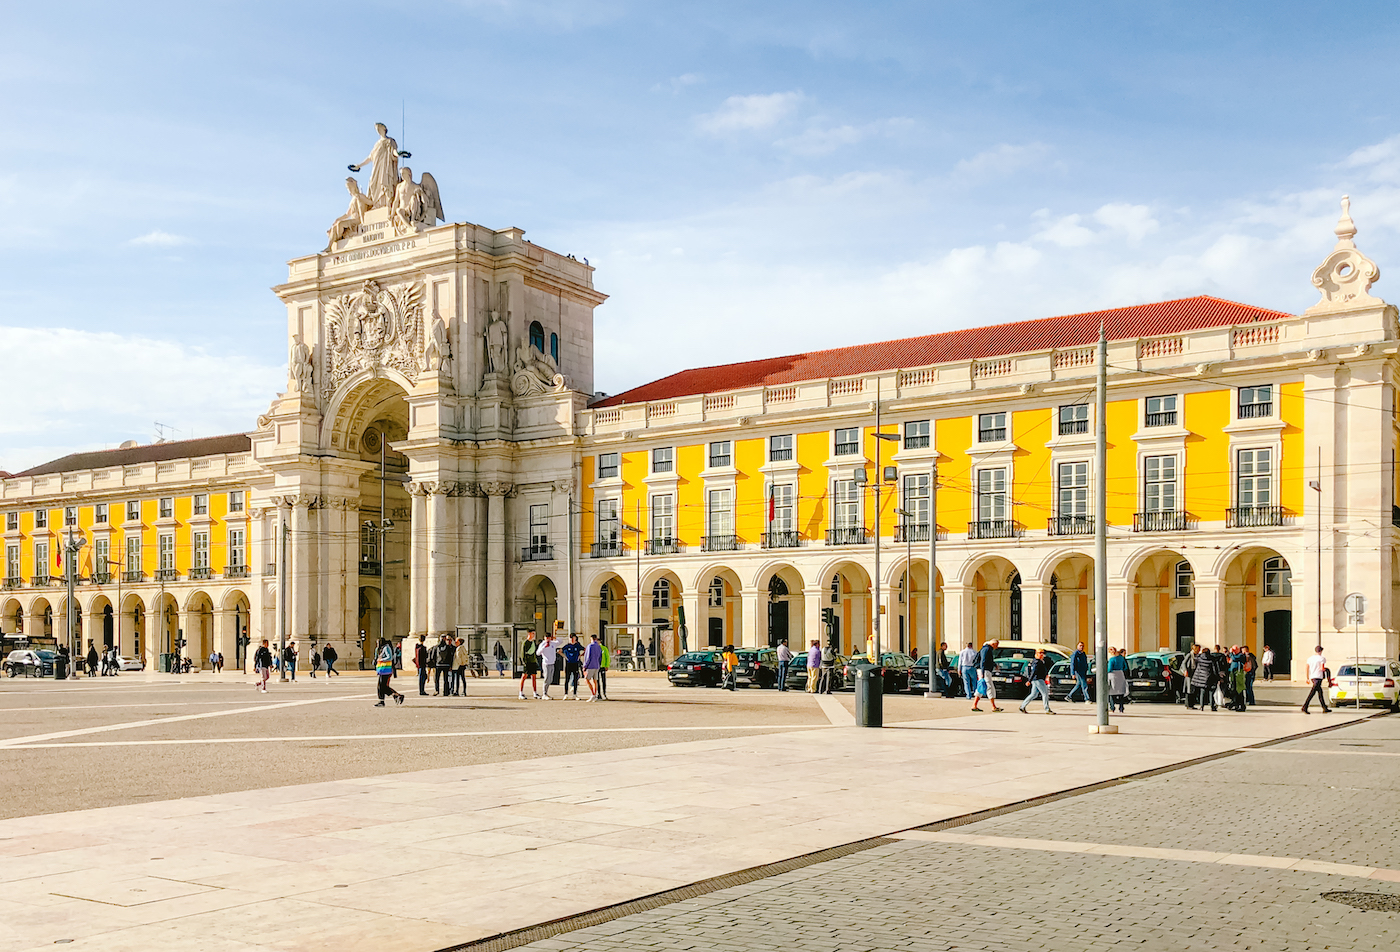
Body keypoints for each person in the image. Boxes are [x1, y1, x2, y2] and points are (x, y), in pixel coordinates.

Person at [1019, 649, 1056, 714]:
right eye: (1040, 653)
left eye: (1043, 653)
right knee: (1045, 694)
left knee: (1034, 694)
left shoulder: (1040, 661)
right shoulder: (1037, 662)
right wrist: (1029, 681)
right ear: (1036, 654)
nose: (1042, 654)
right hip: (1038, 679)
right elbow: (1034, 672)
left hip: (1037, 679)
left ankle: (1022, 706)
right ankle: (1047, 709)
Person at [970, 639, 1002, 712]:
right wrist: (982, 672)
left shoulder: (986, 649)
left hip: (983, 670)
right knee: (989, 687)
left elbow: (987, 660)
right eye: (997, 644)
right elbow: (983, 660)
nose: (997, 647)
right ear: (993, 644)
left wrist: (994, 664)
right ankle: (993, 706)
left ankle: (974, 705)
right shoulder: (987, 649)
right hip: (985, 670)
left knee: (981, 686)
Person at [373, 637, 404, 707]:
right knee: (382, 686)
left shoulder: (386, 648)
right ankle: (396, 696)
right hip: (383, 670)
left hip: (386, 670)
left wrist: (381, 659)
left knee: (381, 686)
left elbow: (390, 657)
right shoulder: (382, 648)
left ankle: (383, 700)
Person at [1302, 645, 1330, 714]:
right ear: (1321, 651)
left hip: (1313, 677)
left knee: (1320, 692)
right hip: (1318, 676)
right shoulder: (1322, 658)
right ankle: (1305, 706)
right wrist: (1327, 670)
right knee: (1312, 693)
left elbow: (1306, 667)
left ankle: (1324, 707)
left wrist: (1307, 678)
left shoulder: (1310, 658)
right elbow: (1322, 668)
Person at [1190, 642, 1217, 711]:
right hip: (1210, 677)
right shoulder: (1212, 659)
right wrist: (1217, 677)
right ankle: (1212, 706)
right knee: (1211, 692)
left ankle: (1202, 706)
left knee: (1202, 692)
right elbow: (1214, 669)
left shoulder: (1199, 658)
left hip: (1201, 678)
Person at [519, 630, 541, 699]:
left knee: (534, 677)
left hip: (533, 662)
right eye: (533, 633)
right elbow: (522, 653)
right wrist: (524, 662)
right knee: (524, 676)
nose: (534, 635)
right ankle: (521, 692)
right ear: (529, 634)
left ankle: (535, 692)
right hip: (527, 662)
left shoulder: (533, 642)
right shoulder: (525, 642)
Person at [561, 634, 585, 698]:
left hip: (575, 663)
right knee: (567, 679)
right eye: (571, 638)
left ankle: (575, 694)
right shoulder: (567, 646)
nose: (572, 639)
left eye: (573, 638)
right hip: (569, 663)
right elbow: (560, 651)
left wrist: (580, 655)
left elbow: (585, 649)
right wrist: (565, 657)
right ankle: (566, 694)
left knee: (575, 679)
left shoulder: (577, 646)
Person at [537, 629, 559, 699]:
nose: (548, 639)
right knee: (546, 678)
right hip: (546, 663)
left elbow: (560, 642)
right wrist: (544, 647)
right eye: (546, 637)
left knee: (550, 679)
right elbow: (538, 653)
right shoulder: (542, 644)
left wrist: (556, 637)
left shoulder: (553, 643)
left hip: (552, 663)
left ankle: (546, 692)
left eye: (549, 637)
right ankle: (544, 693)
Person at [1106, 647, 1129, 713]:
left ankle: (1112, 707)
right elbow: (1125, 667)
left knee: (1111, 691)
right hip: (1121, 674)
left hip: (1113, 675)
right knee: (1121, 692)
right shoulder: (1121, 658)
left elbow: (1109, 668)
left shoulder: (1111, 659)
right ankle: (1121, 707)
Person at [583, 633, 604, 701]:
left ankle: (593, 694)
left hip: (590, 666)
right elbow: (600, 657)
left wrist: (585, 666)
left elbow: (588, 657)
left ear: (591, 639)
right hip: (597, 665)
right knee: (595, 680)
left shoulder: (590, 646)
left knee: (587, 679)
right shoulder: (598, 646)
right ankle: (595, 694)